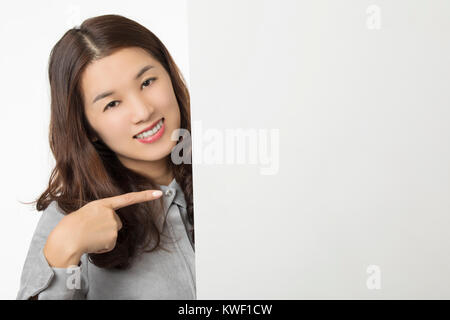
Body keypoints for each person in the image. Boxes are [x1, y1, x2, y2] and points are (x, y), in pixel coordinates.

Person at [16, 14, 195, 300]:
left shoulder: (227, 173)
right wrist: (64, 254)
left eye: (147, 82)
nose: (142, 111)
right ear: (88, 127)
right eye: (112, 104)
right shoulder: (72, 217)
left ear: (170, 77)